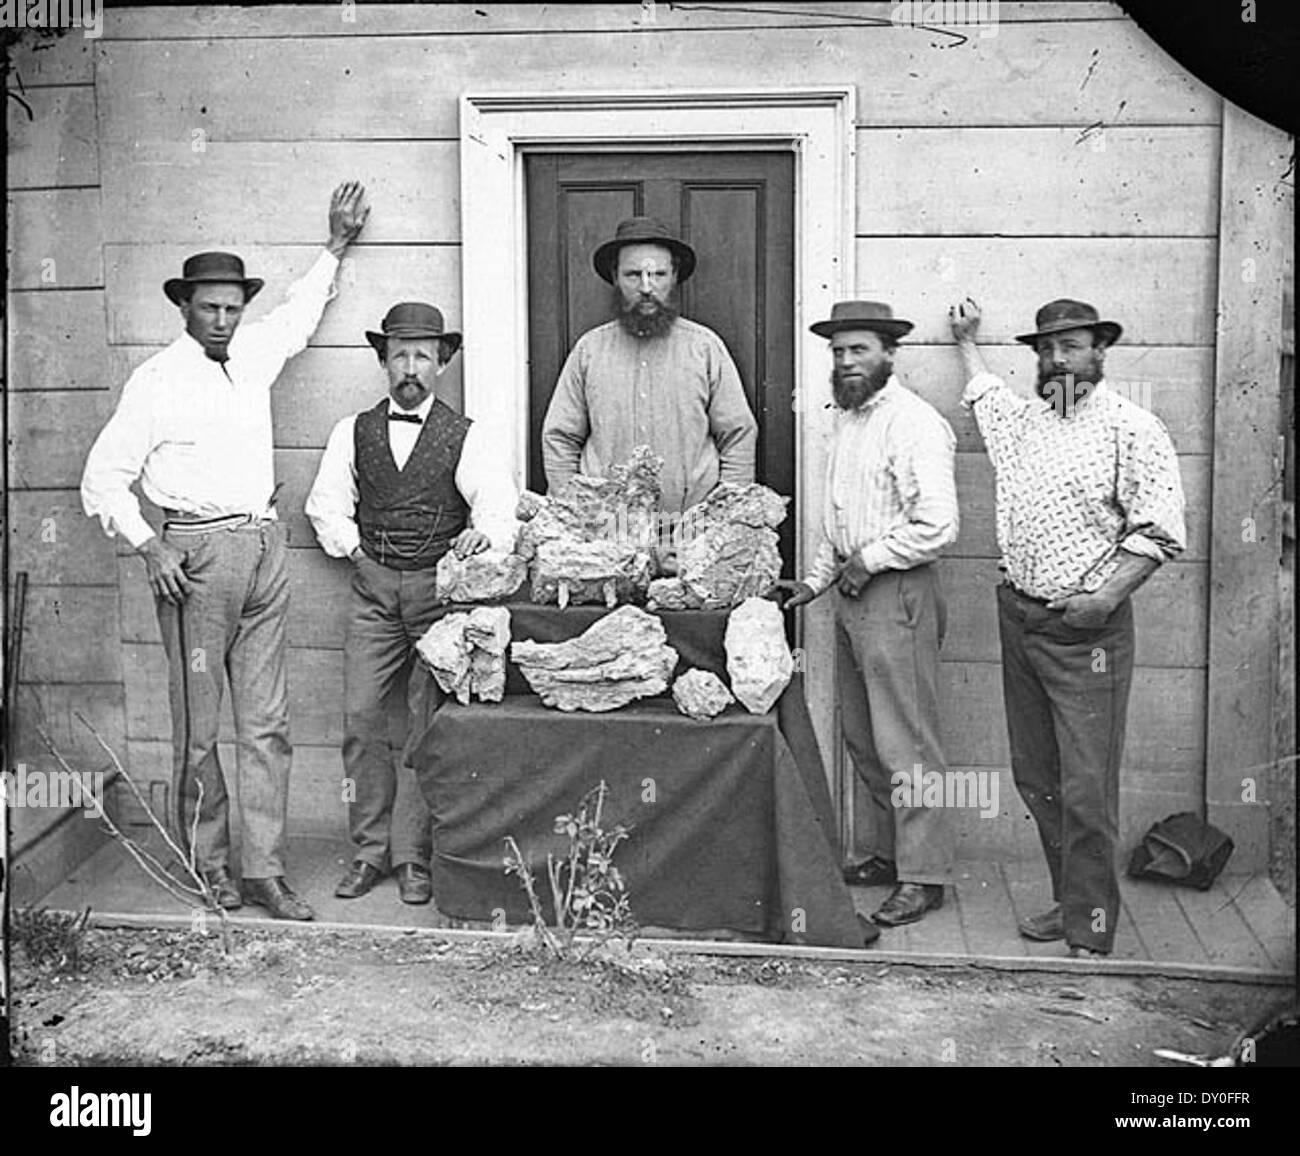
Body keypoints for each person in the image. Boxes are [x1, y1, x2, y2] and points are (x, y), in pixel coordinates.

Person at [81, 182, 370, 921]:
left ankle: (263, 870)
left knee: (267, 726)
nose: (221, 319)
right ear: (185, 308)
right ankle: (207, 866)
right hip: (196, 563)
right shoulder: (156, 381)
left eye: (232, 307)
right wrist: (150, 548)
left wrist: (333, 246)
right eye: (208, 307)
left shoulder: (254, 354)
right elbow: (102, 481)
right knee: (202, 727)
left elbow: (301, 315)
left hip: (265, 549)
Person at [948, 296, 1187, 957]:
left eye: (1072, 345)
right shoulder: (1025, 422)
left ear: (1100, 351)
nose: (1057, 358)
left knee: (1085, 787)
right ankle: (1073, 900)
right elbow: (985, 396)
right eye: (1047, 348)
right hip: (1019, 617)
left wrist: (1104, 599)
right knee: (1037, 777)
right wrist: (967, 341)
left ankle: (1091, 931)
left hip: (1086, 634)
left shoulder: (1131, 428)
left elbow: (1159, 529)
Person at [305, 302, 518, 905]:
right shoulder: (352, 431)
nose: (410, 366)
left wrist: (482, 539)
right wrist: (360, 559)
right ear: (382, 359)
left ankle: (414, 857)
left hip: (438, 600)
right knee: (361, 719)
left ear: (442, 363)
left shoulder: (466, 436)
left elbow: (498, 512)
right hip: (372, 593)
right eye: (399, 353)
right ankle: (369, 851)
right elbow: (324, 507)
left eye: (423, 355)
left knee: (428, 725)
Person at [771, 301, 959, 929]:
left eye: (860, 350)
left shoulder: (914, 424)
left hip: (897, 594)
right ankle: (886, 854)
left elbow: (938, 525)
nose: (847, 362)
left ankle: (924, 875)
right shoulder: (849, 422)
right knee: (866, 739)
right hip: (854, 596)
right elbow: (841, 523)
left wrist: (869, 563)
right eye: (839, 352)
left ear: (888, 354)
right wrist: (816, 582)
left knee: (907, 741)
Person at [541, 216, 758, 514]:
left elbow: (739, 434)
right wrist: (578, 515)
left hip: (690, 527)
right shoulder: (589, 350)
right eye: (633, 275)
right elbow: (560, 439)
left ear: (674, 276)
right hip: (608, 531)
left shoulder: (704, 347)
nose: (647, 287)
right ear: (615, 277)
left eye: (658, 274)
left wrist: (721, 517)